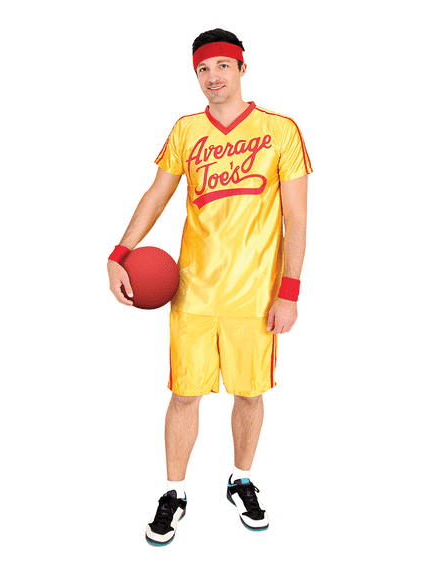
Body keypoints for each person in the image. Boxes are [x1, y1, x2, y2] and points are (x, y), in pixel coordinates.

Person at [107, 28, 312, 546]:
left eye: (222, 65)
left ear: (242, 68)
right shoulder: (186, 130)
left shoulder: (281, 130)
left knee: (250, 392)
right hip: (193, 290)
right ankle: (174, 492)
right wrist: (119, 252)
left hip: (255, 294)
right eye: (203, 68)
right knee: (184, 394)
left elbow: (296, 216)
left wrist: (289, 291)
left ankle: (241, 480)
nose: (213, 76)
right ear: (195, 74)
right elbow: (157, 194)